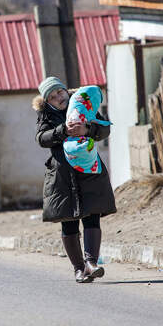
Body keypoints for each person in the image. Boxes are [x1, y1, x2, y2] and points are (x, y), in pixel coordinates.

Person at [32, 76, 117, 283]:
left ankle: (91, 263)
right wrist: (63, 131)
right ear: (47, 102)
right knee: (69, 223)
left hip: (88, 172)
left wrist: (87, 129)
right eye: (52, 97)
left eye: (59, 92)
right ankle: (79, 269)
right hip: (62, 176)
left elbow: (104, 128)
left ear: (66, 90)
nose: (58, 97)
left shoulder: (82, 105)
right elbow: (41, 138)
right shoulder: (46, 115)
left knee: (91, 216)